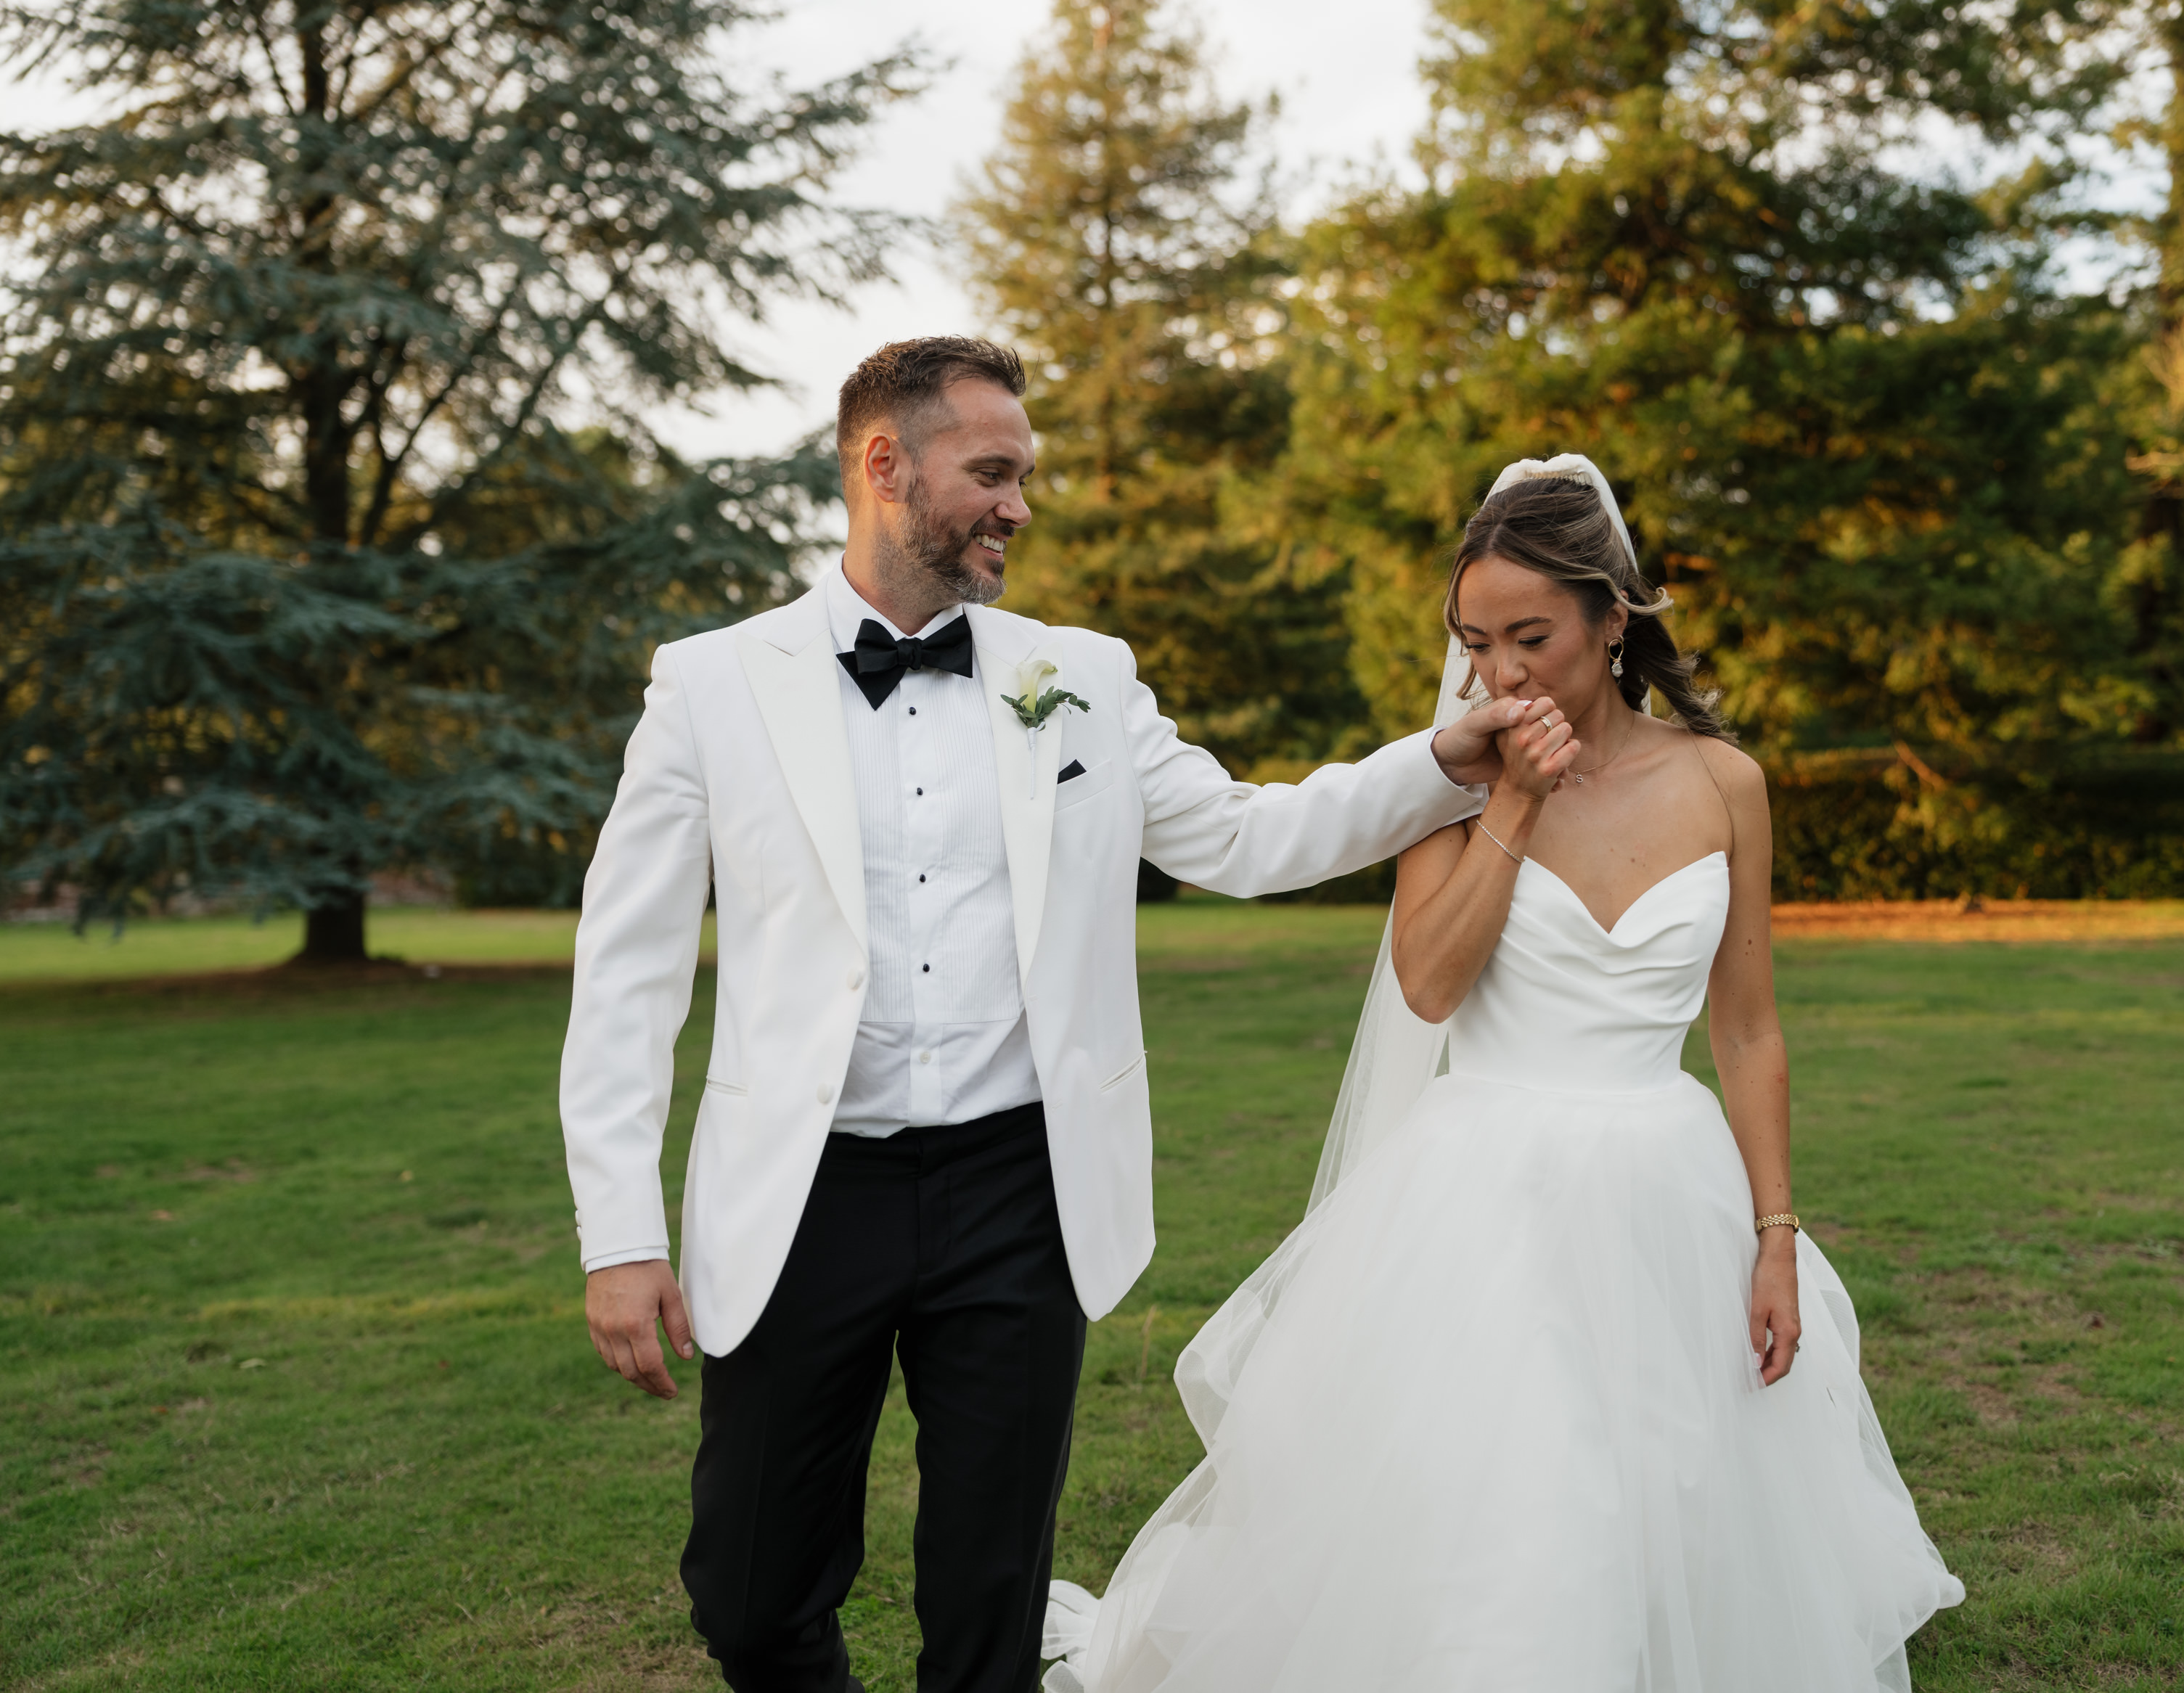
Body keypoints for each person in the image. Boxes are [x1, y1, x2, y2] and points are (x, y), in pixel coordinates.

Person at [557, 337, 1556, 1693]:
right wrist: (619, 1232)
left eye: (1024, 473)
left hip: (1019, 1192)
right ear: (883, 464)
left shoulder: (1078, 674)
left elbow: (1252, 837)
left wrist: (1442, 758)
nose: (1020, 503)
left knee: (991, 1598)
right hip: (802, 1195)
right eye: (993, 471)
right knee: (748, 1592)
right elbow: (628, 970)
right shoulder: (714, 684)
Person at [1039, 456, 1965, 1692]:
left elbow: (1748, 1031)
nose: (1502, 671)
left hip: (1663, 1182)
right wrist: (1510, 807)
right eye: (1476, 641)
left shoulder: (1723, 782)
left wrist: (1776, 1230)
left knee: (1670, 1469)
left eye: (1531, 636)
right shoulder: (1448, 782)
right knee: (1527, 1479)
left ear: (1613, 619)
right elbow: (1428, 981)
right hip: (1485, 1196)